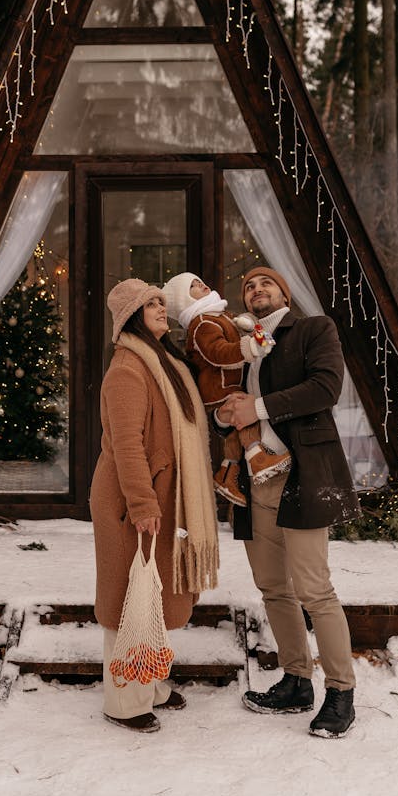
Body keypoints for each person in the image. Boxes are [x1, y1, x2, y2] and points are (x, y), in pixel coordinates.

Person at [216, 266, 361, 738]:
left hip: (302, 474)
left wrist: (256, 407)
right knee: (273, 588)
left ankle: (341, 693)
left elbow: (326, 389)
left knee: (315, 590)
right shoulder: (242, 349)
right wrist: (224, 415)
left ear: (283, 293)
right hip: (252, 480)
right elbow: (230, 406)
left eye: (265, 283)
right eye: (248, 286)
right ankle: (297, 681)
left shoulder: (314, 330)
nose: (256, 290)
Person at [90, 278, 220, 733]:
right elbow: (126, 446)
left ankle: (154, 685)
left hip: (161, 497)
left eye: (163, 301)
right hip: (132, 501)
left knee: (156, 597)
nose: (162, 308)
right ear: (130, 315)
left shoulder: (164, 361)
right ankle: (125, 701)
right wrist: (143, 503)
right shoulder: (128, 369)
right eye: (151, 304)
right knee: (128, 599)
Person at [161, 272, 292, 507]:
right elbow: (218, 352)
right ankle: (257, 458)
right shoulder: (202, 323)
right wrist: (249, 346)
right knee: (245, 423)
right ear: (184, 300)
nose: (200, 283)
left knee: (233, 433)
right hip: (220, 388)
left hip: (226, 386)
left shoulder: (215, 317)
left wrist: (243, 326)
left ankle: (227, 474)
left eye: (199, 280)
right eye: (192, 285)